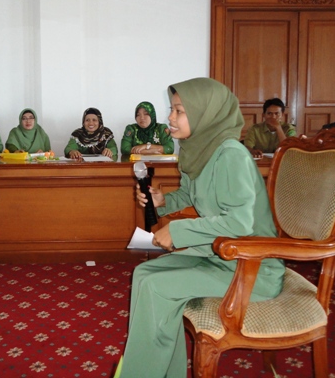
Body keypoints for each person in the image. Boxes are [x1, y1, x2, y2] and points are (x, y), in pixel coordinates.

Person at [121, 77, 284, 378]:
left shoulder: (231, 155)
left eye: (179, 111)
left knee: (156, 287)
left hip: (251, 266)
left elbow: (239, 222)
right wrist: (161, 201)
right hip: (219, 254)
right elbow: (190, 195)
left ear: (205, 113)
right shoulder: (200, 148)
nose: (170, 117)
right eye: (172, 109)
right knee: (143, 274)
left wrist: (178, 232)